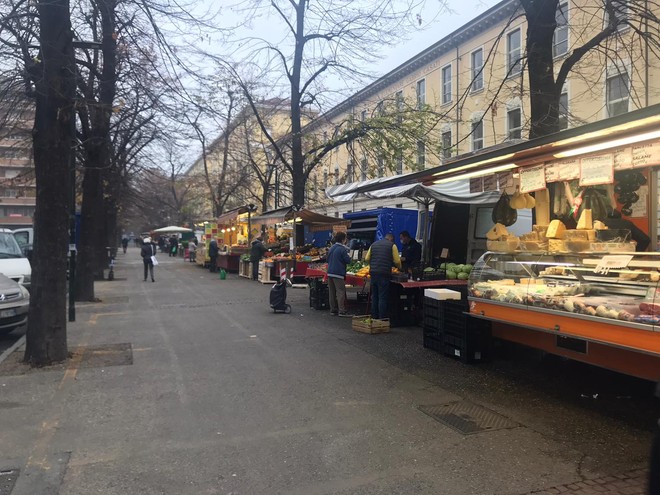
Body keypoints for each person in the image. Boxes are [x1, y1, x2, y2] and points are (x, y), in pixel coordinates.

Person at [365, 233, 401, 320]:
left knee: (375, 296)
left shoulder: (373, 245)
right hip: (384, 274)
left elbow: (366, 258)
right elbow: (397, 261)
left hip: (373, 273)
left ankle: (374, 316)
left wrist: (373, 265)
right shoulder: (392, 246)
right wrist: (400, 268)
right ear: (391, 239)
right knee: (382, 296)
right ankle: (382, 318)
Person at [327, 232, 352, 316]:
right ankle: (341, 310)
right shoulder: (342, 249)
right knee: (340, 291)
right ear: (343, 239)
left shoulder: (331, 248)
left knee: (332, 292)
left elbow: (327, 259)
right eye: (345, 239)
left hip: (330, 272)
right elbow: (348, 261)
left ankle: (333, 310)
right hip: (338, 273)